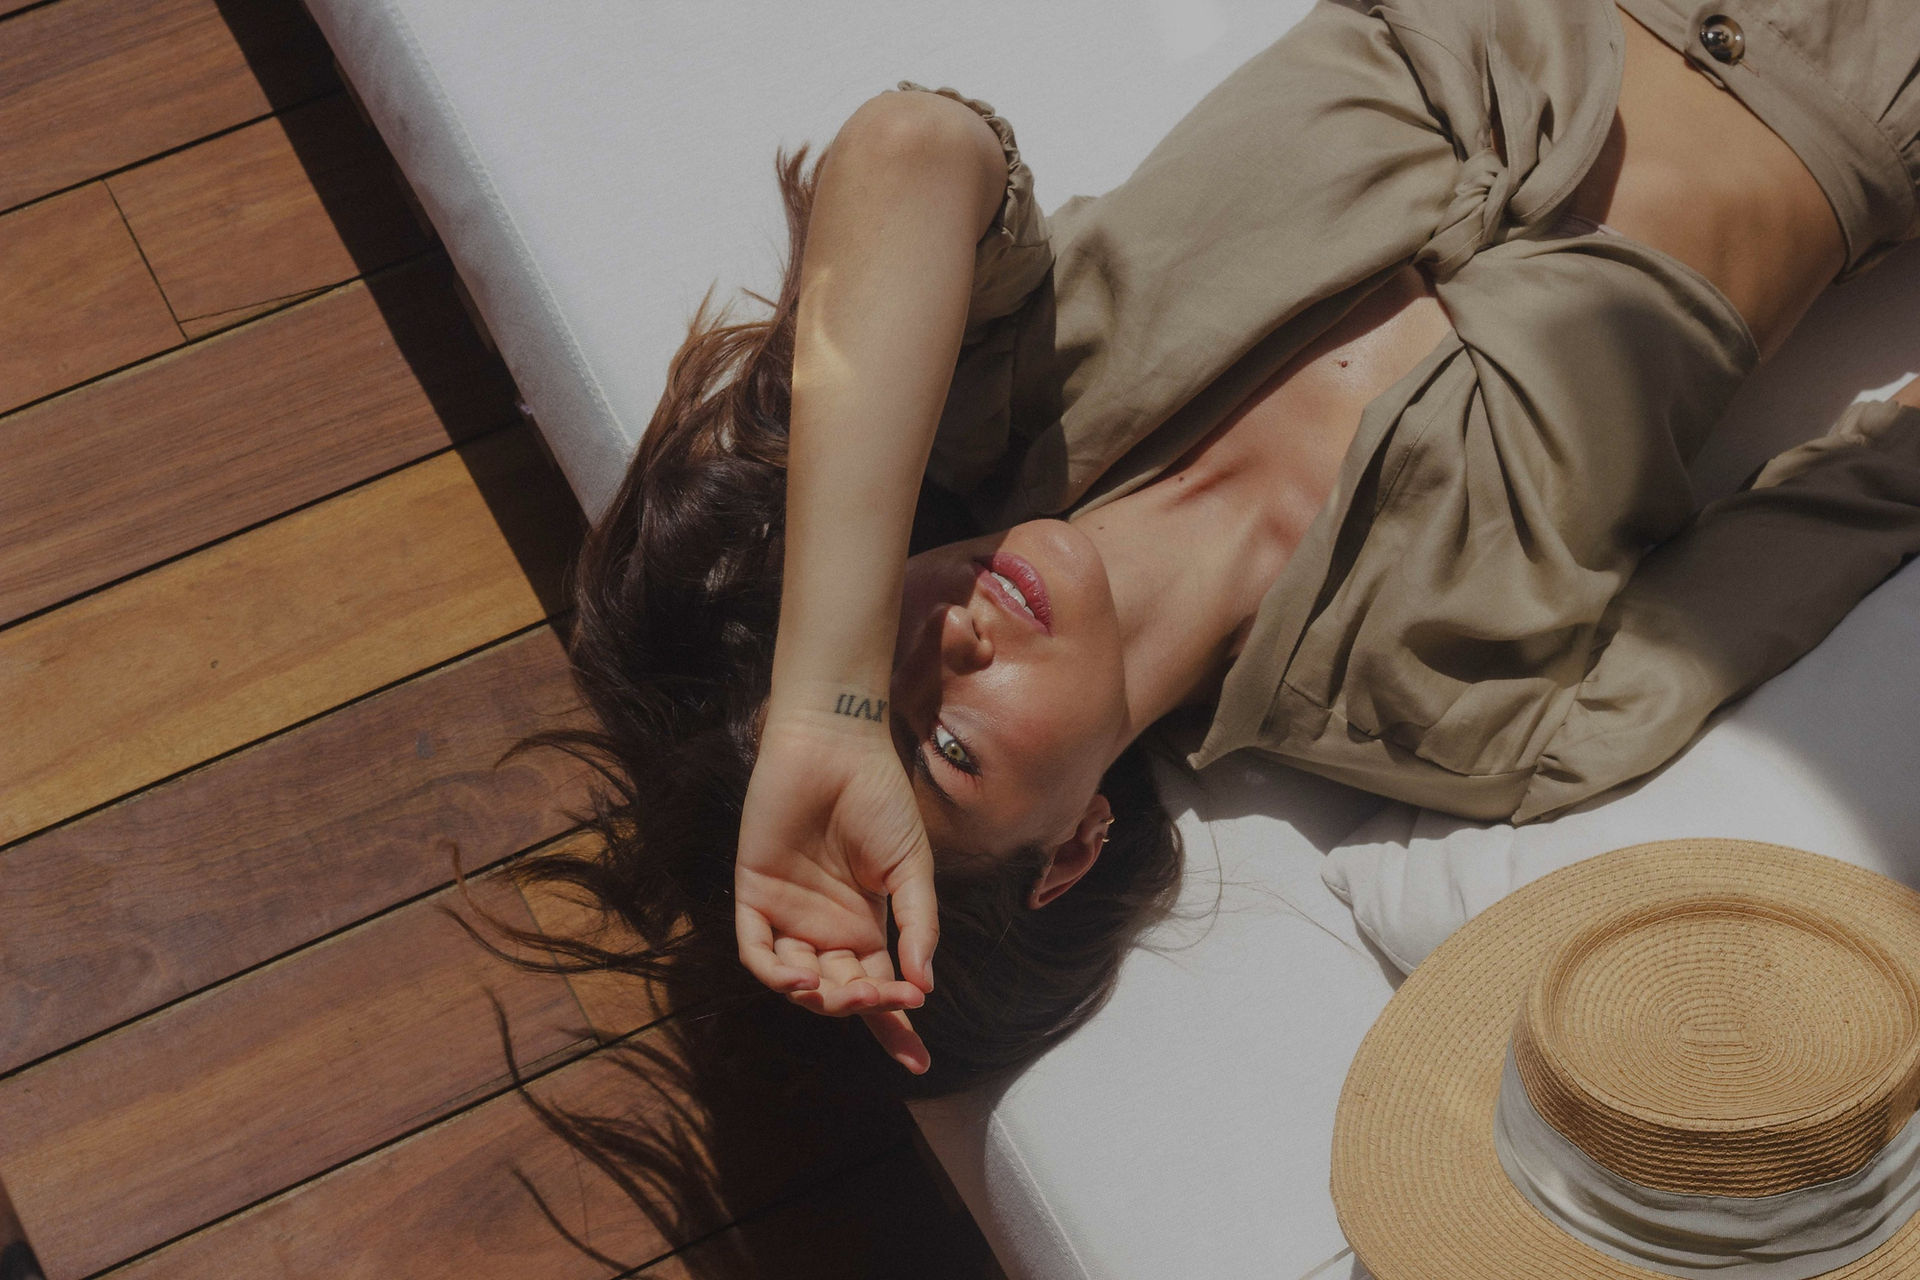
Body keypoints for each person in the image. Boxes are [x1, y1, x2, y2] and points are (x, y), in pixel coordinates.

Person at [514, 0, 1920, 1092]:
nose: (945, 633)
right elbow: (1862, 500)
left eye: (880, 653)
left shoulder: (1000, 383)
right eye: (945, 743)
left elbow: (906, 146)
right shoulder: (1457, 715)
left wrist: (825, 702)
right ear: (1071, 848)